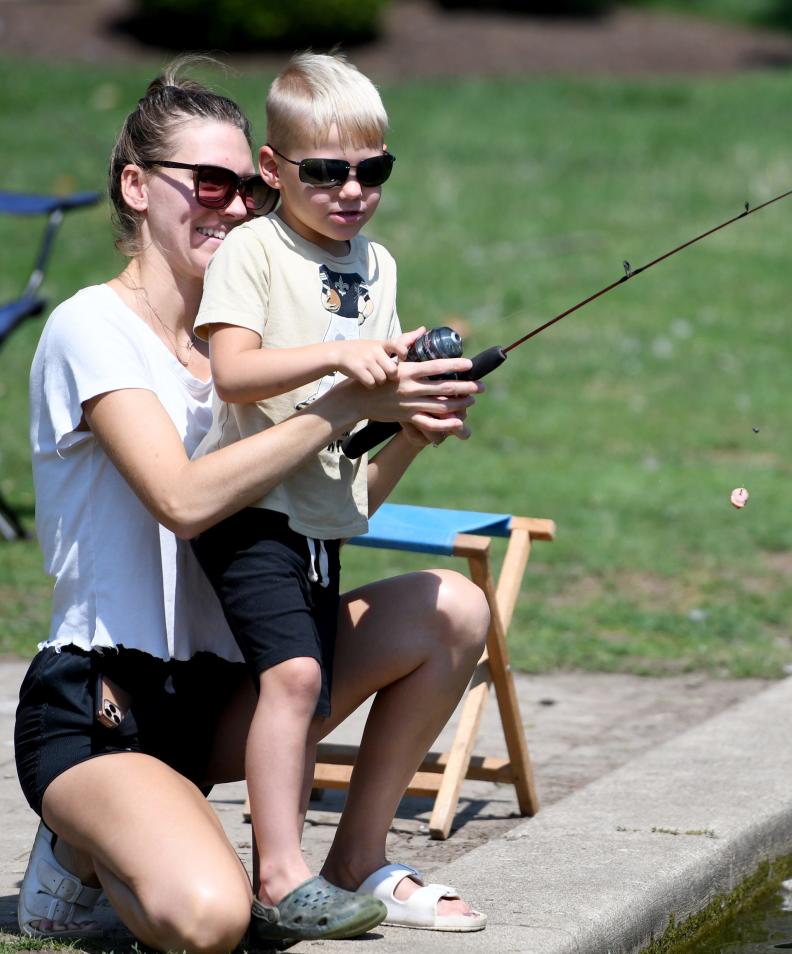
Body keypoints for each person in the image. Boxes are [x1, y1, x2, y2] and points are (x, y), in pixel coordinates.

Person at [14, 58, 489, 954]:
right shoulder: (92, 328)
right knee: (212, 920)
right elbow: (185, 502)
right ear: (135, 186)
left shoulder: (267, 350)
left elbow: (332, 508)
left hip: (228, 698)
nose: (233, 208)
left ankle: (355, 861)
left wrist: (413, 431)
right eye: (209, 184)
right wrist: (342, 400)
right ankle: (78, 848)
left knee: (452, 610)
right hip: (105, 708)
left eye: (245, 190)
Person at [187, 51, 489, 943]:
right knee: (296, 675)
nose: (352, 189)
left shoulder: (377, 264)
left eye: (373, 169)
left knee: (320, 676)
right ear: (273, 171)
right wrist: (339, 359)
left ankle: (356, 862)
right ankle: (279, 879)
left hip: (318, 519)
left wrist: (413, 425)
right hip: (251, 516)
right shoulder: (253, 249)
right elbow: (235, 372)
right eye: (326, 171)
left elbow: (351, 473)